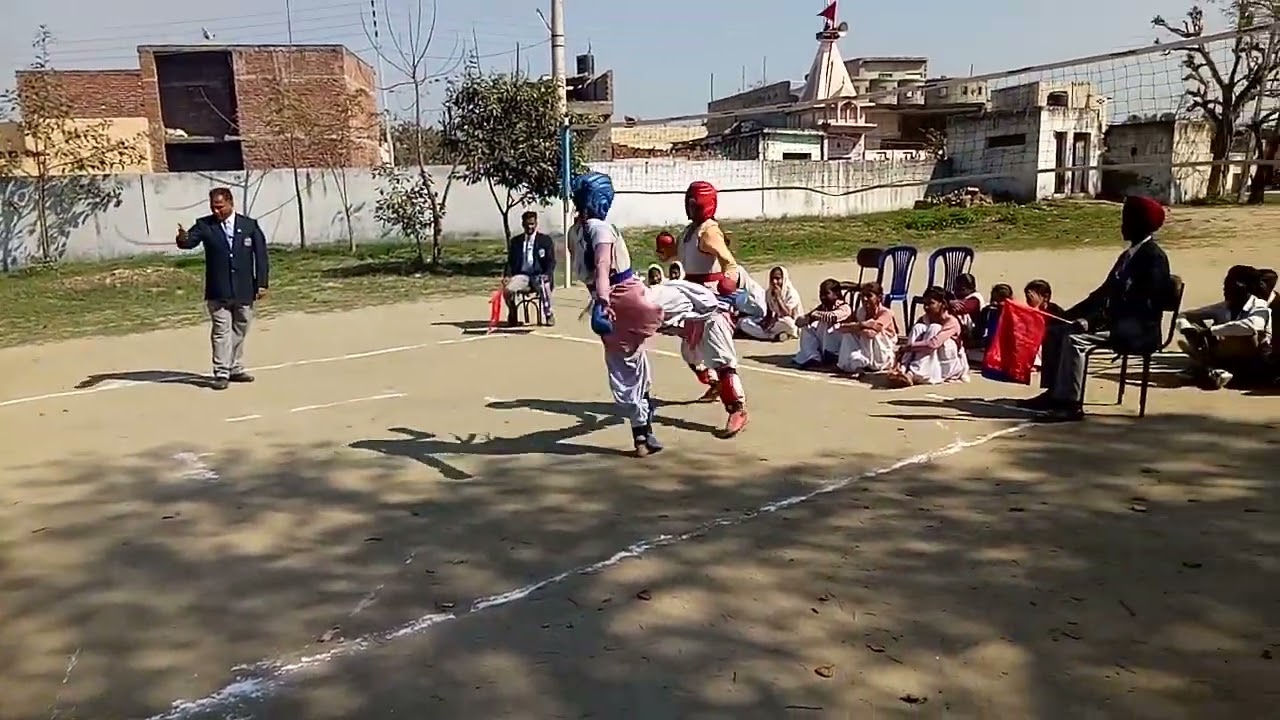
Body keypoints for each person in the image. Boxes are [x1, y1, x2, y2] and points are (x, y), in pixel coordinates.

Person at [1023, 195, 1174, 422]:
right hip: (1118, 322)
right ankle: (1054, 393)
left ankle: (1070, 404)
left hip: (1138, 329)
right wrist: (1067, 315)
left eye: (1127, 220)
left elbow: (1141, 305)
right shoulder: (1128, 256)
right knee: (1056, 330)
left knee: (1076, 340)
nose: (1122, 225)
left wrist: (1093, 322)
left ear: (1140, 224)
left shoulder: (1154, 258)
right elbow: (1102, 294)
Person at [568, 172, 664, 456]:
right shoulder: (601, 229)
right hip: (626, 298)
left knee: (628, 366)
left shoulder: (574, 231)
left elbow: (590, 272)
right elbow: (601, 267)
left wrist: (599, 302)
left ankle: (642, 435)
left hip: (608, 305)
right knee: (682, 302)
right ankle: (719, 305)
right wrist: (602, 302)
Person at [175, 187, 269, 391]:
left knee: (240, 328)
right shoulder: (205, 225)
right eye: (213, 207)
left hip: (244, 288)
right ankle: (221, 372)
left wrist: (262, 283)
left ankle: (235, 367)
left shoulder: (249, 225)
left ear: (230, 203)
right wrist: (182, 238)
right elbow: (189, 242)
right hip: (218, 289)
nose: (216, 211)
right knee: (220, 330)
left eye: (220, 207)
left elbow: (261, 256)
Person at [646, 278, 750, 437]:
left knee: (722, 362)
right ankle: (716, 384)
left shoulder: (653, 301)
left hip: (713, 314)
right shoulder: (651, 298)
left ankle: (737, 409)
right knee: (690, 354)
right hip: (693, 316)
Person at [1177, 265, 1272, 389]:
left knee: (1247, 334)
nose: (1225, 288)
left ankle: (1208, 369)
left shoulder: (1260, 306)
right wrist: (1188, 329)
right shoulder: (1223, 307)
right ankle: (1213, 370)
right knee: (1192, 321)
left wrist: (1211, 331)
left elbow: (1251, 326)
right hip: (1223, 355)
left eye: (1231, 285)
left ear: (1246, 287)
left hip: (1253, 358)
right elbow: (1183, 315)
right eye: (1225, 284)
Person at [887, 286, 969, 387]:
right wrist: (900, 360)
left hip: (947, 362)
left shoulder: (951, 321)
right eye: (924, 304)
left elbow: (933, 344)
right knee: (918, 328)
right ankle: (902, 369)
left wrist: (906, 348)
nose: (926, 307)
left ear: (942, 304)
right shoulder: (925, 319)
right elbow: (914, 341)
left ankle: (912, 374)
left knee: (934, 328)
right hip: (930, 359)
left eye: (930, 303)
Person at [678, 181, 740, 289]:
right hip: (690, 287)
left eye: (694, 204)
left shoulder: (709, 231)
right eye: (689, 204)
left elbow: (729, 263)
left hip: (708, 291)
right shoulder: (689, 230)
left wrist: (729, 279)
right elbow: (677, 255)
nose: (690, 208)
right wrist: (666, 249)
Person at [502, 210, 556, 326]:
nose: (529, 227)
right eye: (527, 224)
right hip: (522, 276)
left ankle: (548, 314)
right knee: (507, 290)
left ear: (536, 224)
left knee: (544, 285)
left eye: (532, 224)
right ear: (523, 224)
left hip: (539, 275)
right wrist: (507, 275)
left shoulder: (545, 241)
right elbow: (510, 262)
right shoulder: (516, 242)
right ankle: (512, 312)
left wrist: (547, 274)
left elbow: (551, 261)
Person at [835, 281, 899, 375]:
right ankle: (858, 367)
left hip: (882, 354)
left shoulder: (886, 313)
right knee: (848, 336)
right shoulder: (861, 311)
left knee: (872, 335)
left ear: (879, 298)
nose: (864, 299)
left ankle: (870, 364)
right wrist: (863, 325)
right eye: (862, 296)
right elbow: (842, 327)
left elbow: (871, 333)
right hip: (865, 350)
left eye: (869, 296)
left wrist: (857, 328)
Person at [794, 278, 852, 367]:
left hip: (839, 345)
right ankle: (813, 357)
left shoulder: (844, 308)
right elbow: (799, 322)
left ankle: (833, 356)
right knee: (807, 328)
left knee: (827, 324)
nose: (822, 297)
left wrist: (813, 315)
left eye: (826, 294)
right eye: (821, 294)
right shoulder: (822, 308)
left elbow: (831, 317)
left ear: (836, 294)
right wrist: (807, 318)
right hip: (825, 343)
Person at [739, 266, 803, 341]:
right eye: (772, 278)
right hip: (776, 323)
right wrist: (766, 323)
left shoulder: (791, 293)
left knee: (788, 323)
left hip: (792, 323)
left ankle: (769, 335)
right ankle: (774, 335)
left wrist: (778, 297)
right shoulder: (768, 292)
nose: (774, 282)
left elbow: (787, 314)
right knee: (744, 322)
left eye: (778, 279)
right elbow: (769, 313)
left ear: (784, 279)